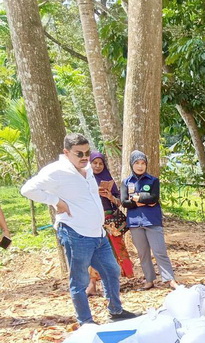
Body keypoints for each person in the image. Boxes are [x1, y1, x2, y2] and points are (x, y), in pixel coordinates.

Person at [20, 133, 137, 325]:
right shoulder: (56, 171)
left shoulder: (88, 168)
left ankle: (116, 311)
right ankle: (86, 321)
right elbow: (27, 189)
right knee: (80, 280)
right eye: (79, 153)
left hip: (98, 233)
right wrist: (55, 201)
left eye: (87, 153)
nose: (84, 157)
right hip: (76, 233)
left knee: (112, 270)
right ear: (66, 152)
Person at [121, 151, 179, 291]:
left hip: (152, 221)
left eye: (143, 163)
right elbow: (124, 202)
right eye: (137, 163)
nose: (140, 166)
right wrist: (143, 200)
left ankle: (170, 279)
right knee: (143, 253)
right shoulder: (126, 182)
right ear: (132, 164)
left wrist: (136, 198)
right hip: (135, 222)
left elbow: (154, 198)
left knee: (159, 251)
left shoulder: (153, 180)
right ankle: (149, 280)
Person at [86, 152, 135, 295]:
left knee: (114, 250)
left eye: (100, 163)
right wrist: (94, 193)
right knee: (93, 251)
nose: (97, 166)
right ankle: (92, 284)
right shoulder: (85, 180)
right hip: (92, 220)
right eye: (94, 163)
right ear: (89, 164)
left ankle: (111, 284)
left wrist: (109, 196)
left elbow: (120, 202)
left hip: (110, 221)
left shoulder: (108, 179)